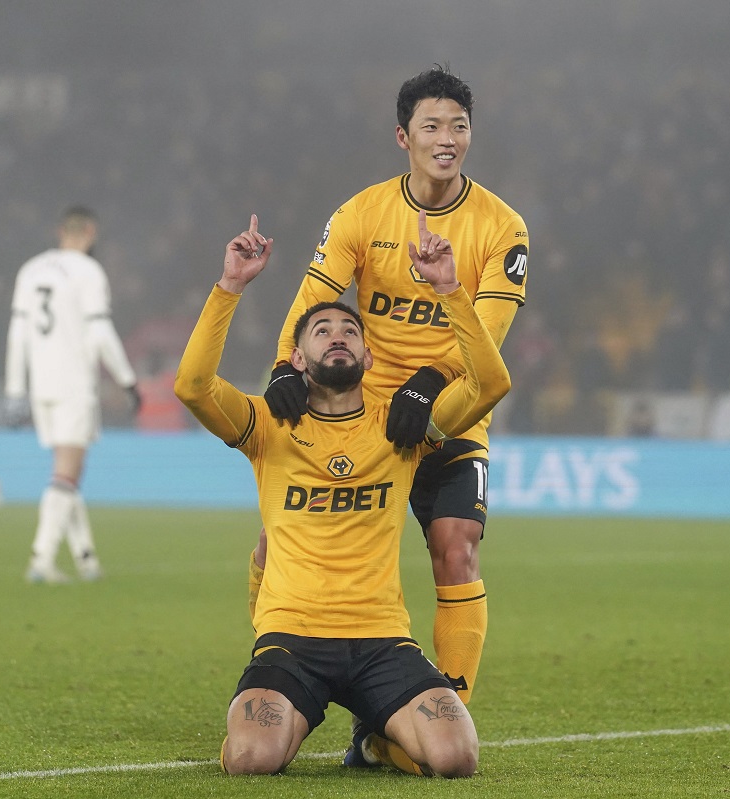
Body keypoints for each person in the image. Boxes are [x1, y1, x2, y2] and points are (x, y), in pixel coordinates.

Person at [175, 213, 509, 777]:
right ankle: (281, 716)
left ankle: (376, 739)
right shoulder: (266, 425)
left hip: (380, 640)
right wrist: (229, 287)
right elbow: (192, 386)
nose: (338, 335)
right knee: (253, 759)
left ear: (368, 358)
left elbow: (490, 385)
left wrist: (451, 290)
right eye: (322, 330)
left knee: (457, 758)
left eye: (350, 330)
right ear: (297, 358)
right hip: (294, 639)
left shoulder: (403, 430)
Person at [259, 64, 529, 711]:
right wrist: (282, 368)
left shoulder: (502, 227)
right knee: (276, 544)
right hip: (366, 415)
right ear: (402, 137)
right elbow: (313, 299)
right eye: (431, 125)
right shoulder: (362, 212)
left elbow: (486, 339)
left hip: (450, 406)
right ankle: (274, 666)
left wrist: (430, 380)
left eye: (458, 126)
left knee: (456, 546)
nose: (448, 138)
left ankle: (450, 703)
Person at [4, 205, 142, 584]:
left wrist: (15, 390)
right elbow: (99, 333)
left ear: (60, 230)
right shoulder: (88, 271)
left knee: (65, 474)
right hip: (73, 384)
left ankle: (86, 560)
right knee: (67, 472)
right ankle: (40, 559)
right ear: (90, 232)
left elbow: (18, 333)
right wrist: (127, 380)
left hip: (39, 386)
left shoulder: (30, 269)